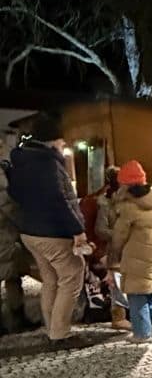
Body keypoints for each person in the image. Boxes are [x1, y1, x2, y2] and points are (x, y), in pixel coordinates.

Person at [7, 113, 87, 343]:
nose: (63, 146)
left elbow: (15, 195)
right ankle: (60, 333)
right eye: (61, 142)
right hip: (51, 232)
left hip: (30, 231)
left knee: (51, 279)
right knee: (72, 274)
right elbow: (58, 199)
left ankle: (51, 327)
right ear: (51, 141)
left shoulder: (21, 161)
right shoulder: (47, 162)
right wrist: (77, 229)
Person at [108, 159, 152, 344]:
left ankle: (143, 334)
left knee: (136, 295)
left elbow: (119, 235)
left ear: (124, 184)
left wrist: (114, 253)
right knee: (150, 290)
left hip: (135, 255)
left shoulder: (129, 206)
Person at [0, 159, 38, 335]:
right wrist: (24, 222)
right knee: (12, 276)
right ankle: (17, 317)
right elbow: (6, 204)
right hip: (3, 233)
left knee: (12, 275)